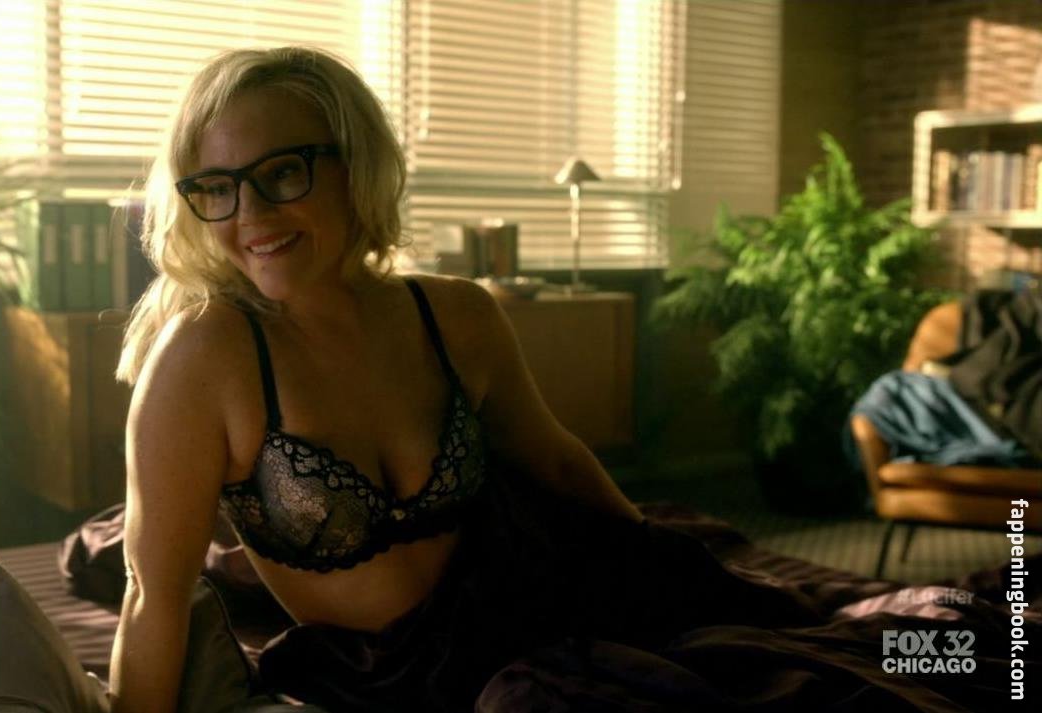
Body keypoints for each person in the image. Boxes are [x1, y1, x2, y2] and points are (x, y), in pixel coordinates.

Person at [107, 46, 845, 713]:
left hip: (549, 594)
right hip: (393, 677)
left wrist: (653, 555)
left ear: (356, 164)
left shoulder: (455, 313)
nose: (251, 214)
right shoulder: (204, 357)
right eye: (217, 187)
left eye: (281, 173)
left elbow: (555, 460)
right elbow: (154, 592)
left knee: (835, 658)